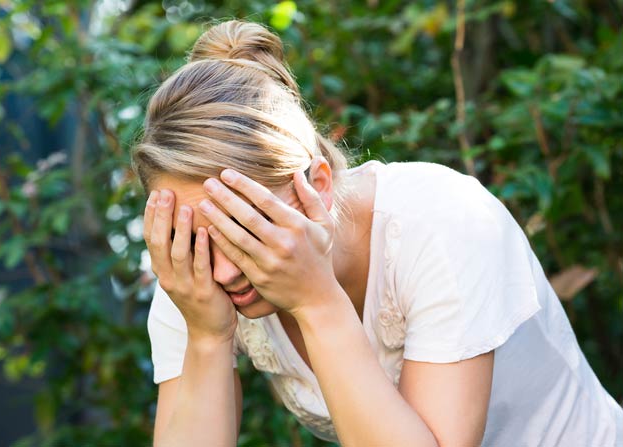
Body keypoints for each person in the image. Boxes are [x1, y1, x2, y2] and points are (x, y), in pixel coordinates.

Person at [131, 19, 623, 447]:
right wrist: (208, 337)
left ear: (317, 186)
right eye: (195, 238)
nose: (220, 268)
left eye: (243, 229)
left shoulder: (444, 221)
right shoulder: (193, 275)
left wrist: (316, 302)